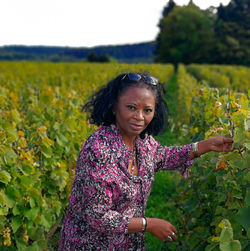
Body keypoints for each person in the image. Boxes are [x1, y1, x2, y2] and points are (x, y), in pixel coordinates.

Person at [59, 73, 234, 250]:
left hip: (126, 244)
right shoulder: (98, 149)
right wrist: (147, 224)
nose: (140, 117)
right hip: (89, 244)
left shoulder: (142, 141)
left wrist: (206, 145)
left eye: (147, 110)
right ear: (114, 107)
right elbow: (97, 216)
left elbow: (163, 156)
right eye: (131, 107)